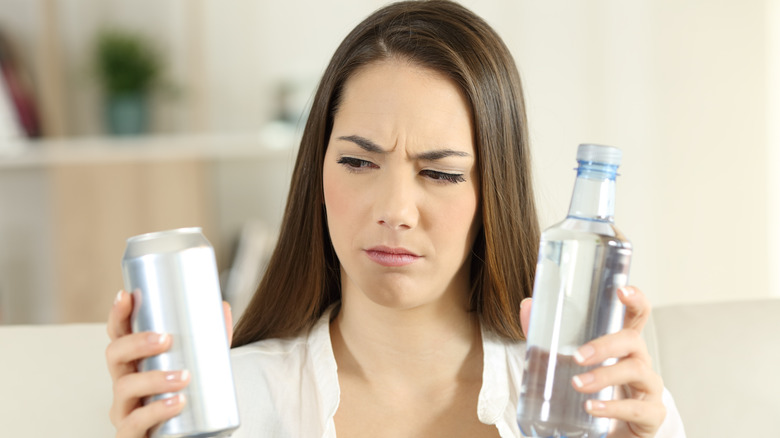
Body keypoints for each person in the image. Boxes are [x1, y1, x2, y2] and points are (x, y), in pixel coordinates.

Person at [105, 1, 686, 437]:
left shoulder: (594, 406)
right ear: (318, 171)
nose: (394, 211)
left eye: (441, 173)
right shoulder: (236, 403)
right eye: (358, 162)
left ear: (494, 192)